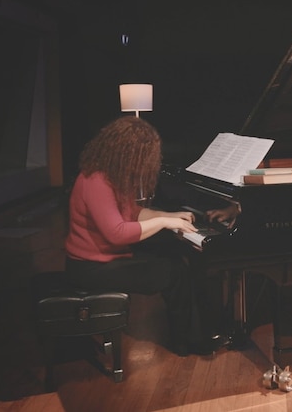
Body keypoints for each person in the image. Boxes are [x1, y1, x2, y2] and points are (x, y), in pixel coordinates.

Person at [63, 116, 224, 356]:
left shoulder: (109, 175)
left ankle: (199, 329)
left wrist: (169, 215)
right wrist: (164, 221)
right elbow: (117, 233)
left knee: (173, 252)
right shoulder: (96, 181)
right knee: (174, 272)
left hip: (104, 259)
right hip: (91, 269)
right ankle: (188, 341)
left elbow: (134, 213)